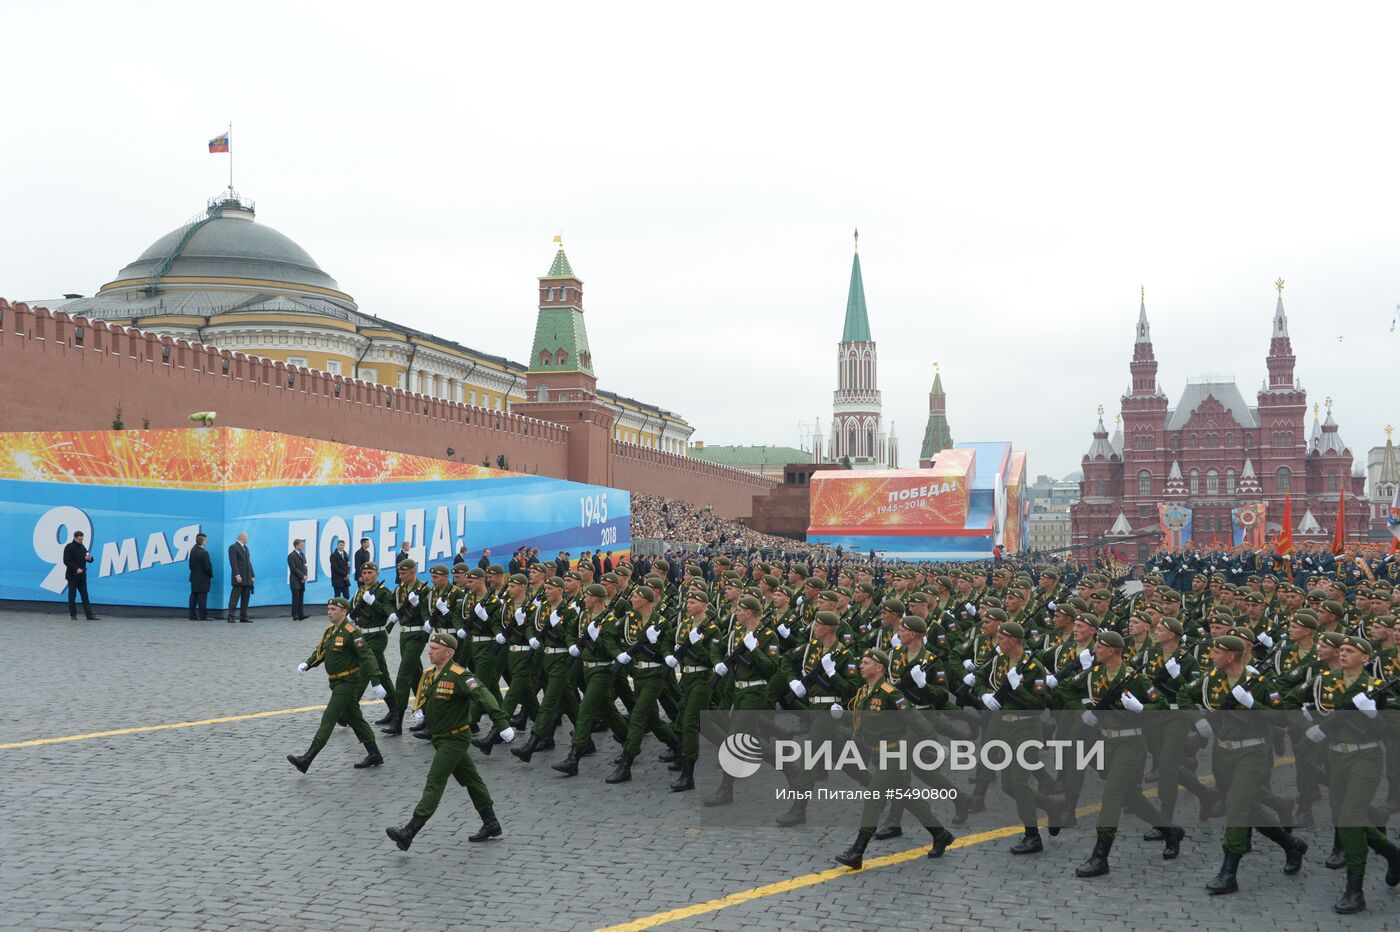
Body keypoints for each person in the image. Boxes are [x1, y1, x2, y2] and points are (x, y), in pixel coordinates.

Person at [386, 632, 514, 851]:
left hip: (454, 738)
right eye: (430, 647)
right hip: (440, 737)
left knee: (435, 781)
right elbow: (425, 694)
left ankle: (410, 831)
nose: (429, 652)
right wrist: (420, 710)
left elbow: (484, 695)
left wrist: (501, 723)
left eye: (435, 649)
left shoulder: (460, 675)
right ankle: (491, 823)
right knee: (472, 781)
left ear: (449, 652)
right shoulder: (429, 674)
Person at [286, 597, 391, 773]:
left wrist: (376, 682)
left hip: (347, 682)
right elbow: (321, 652)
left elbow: (368, 656)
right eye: (328, 609)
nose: (329, 612)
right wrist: (308, 664)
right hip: (336, 682)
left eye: (334, 609)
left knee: (329, 717)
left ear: (344, 612)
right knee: (355, 718)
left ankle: (307, 759)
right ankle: (374, 754)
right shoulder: (330, 631)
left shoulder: (352, 632)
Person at [380, 559, 433, 736]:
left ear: (413, 571)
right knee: (416, 676)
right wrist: (392, 614)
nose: (401, 576)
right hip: (404, 635)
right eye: (399, 573)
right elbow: (387, 602)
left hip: (417, 635)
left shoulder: (424, 590)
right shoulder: (399, 590)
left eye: (403, 573)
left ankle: (398, 719)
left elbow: (428, 610)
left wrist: (420, 608)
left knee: (403, 676)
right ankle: (427, 716)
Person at [62, 530, 98, 620]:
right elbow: (66, 561)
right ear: (74, 538)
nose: (81, 541)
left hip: (82, 576)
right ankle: (73, 615)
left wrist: (90, 559)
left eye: (82, 539)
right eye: (79, 539)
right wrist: (76, 568)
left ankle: (89, 615)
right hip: (72, 575)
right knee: (72, 595)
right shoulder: (69, 547)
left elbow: (89, 558)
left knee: (85, 596)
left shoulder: (82, 547)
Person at [226, 532, 254, 623]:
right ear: (243, 537)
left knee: (245, 599)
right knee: (234, 598)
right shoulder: (233, 547)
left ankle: (243, 617)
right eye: (247, 537)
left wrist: (252, 575)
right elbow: (233, 563)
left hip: (247, 578)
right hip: (239, 578)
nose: (247, 539)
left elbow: (248, 563)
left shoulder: (246, 548)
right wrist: (237, 575)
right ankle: (231, 617)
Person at [188, 532, 213, 620]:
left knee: (194, 596)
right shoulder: (204, 553)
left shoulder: (192, 550)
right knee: (202, 598)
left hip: (194, 577)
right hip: (203, 579)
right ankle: (203, 616)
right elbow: (208, 567)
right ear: (204, 541)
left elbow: (190, 565)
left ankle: (192, 615)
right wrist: (210, 575)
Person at [288, 539, 309, 621]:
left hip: (302, 580)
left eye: (303, 545)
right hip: (295, 580)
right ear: (296, 545)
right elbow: (293, 569)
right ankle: (295, 614)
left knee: (301, 598)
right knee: (295, 598)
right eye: (301, 545)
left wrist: (305, 576)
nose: (302, 546)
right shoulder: (291, 556)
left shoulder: (303, 555)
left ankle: (301, 614)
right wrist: (302, 576)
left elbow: (305, 566)